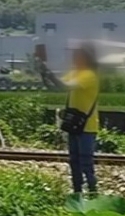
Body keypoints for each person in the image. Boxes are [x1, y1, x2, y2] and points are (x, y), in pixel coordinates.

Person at [38, 43, 100, 196]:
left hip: (87, 126)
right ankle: (77, 191)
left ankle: (92, 192)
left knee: (85, 162)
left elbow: (65, 86)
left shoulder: (89, 75)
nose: (74, 57)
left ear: (86, 57)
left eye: (77, 55)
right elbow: (56, 88)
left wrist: (49, 73)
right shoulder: (75, 72)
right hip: (75, 124)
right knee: (74, 161)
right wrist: (44, 75)